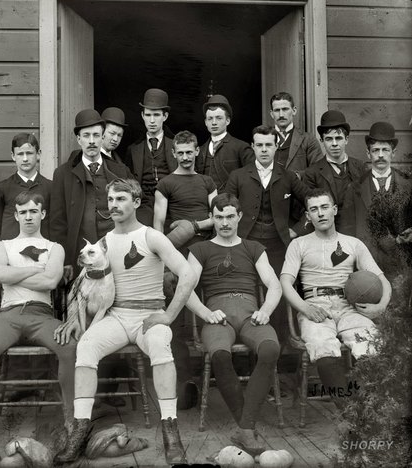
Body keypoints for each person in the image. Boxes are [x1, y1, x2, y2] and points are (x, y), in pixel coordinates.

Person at [53, 178, 197, 465]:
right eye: (110, 199)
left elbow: (188, 273)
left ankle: (170, 431)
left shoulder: (151, 237)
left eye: (121, 199)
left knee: (160, 346)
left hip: (148, 315)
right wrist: (72, 317)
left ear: (136, 202)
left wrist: (169, 315)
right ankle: (80, 430)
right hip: (116, 316)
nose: (114, 205)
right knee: (86, 345)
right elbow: (81, 282)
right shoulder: (104, 243)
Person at [185, 194, 282, 455]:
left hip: (251, 314)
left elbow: (274, 285)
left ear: (239, 216)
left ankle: (244, 427)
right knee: (219, 354)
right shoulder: (200, 250)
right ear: (212, 218)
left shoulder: (253, 248)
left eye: (230, 216)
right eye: (219, 217)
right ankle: (246, 427)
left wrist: (265, 310)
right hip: (218, 315)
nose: (225, 222)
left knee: (271, 349)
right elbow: (186, 289)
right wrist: (206, 313)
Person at [280, 188, 392, 412]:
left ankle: (369, 409)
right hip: (316, 307)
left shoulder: (353, 244)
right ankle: (350, 412)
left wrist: (380, 306)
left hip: (350, 308)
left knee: (371, 343)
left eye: (324, 207)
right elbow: (285, 282)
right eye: (314, 209)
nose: (320, 213)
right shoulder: (299, 244)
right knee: (324, 349)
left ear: (334, 209)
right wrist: (305, 308)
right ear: (308, 216)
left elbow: (382, 280)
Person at [0, 191, 76, 427]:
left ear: (43, 214)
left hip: (42, 315)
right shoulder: (3, 246)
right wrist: (35, 270)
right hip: (8, 315)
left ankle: (72, 418)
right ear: (16, 216)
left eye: (33, 211)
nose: (28, 217)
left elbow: (50, 282)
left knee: (69, 346)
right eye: (23, 212)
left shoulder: (54, 248)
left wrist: (14, 275)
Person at [223, 125, 311, 340]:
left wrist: (296, 230)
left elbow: (312, 202)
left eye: (268, 145)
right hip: (245, 245)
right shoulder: (238, 176)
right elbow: (225, 207)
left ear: (276, 147)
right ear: (252, 146)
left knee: (278, 291)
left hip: (278, 246)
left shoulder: (287, 176)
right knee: (246, 292)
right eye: (259, 145)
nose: (264, 150)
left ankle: (278, 344)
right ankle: (250, 342)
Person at [153, 130, 217, 405]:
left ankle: (214, 373)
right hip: (177, 254)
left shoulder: (206, 181)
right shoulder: (166, 183)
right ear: (173, 153)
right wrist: (164, 258)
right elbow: (158, 226)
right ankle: (184, 380)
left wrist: (193, 226)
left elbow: (218, 217)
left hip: (205, 251)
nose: (186, 157)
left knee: (210, 309)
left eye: (190, 152)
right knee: (176, 317)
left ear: (197, 151)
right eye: (180, 153)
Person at [50, 109, 132, 283]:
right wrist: (65, 261)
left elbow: (136, 207)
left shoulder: (120, 171)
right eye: (86, 135)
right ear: (78, 139)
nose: (92, 141)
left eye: (96, 135)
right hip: (81, 257)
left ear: (103, 137)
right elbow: (57, 223)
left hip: (116, 253)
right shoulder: (63, 174)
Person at [353, 122, 412, 279]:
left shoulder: (408, 185)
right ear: (368, 154)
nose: (380, 155)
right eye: (375, 150)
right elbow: (346, 229)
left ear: (393, 153)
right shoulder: (355, 188)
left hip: (402, 268)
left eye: (385, 150)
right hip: (366, 267)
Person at [301, 110, 366, 236]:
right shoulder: (312, 173)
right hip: (328, 234)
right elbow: (311, 210)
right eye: (329, 139)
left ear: (346, 139)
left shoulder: (360, 168)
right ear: (322, 140)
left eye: (339, 138)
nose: (334, 144)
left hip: (357, 234)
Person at [0, 132, 52, 247]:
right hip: (11, 251)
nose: (25, 159)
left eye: (29, 153)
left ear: (38, 154)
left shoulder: (50, 187)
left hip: (43, 250)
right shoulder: (3, 188)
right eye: (20, 154)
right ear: (13, 156)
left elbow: (57, 225)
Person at [126, 88, 177, 226]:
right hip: (144, 206)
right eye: (148, 115)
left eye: (156, 115)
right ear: (142, 115)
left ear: (165, 116)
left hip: (172, 204)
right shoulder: (133, 149)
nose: (152, 120)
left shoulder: (177, 145)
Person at [195, 94, 254, 192]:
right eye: (210, 118)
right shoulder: (200, 150)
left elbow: (251, 181)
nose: (214, 122)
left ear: (227, 120)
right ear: (205, 122)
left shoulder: (241, 148)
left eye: (219, 118)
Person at [268, 92, 323, 176]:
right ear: (272, 114)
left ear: (294, 111)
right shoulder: (263, 139)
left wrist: (297, 176)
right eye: (277, 110)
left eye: (285, 109)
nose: (281, 115)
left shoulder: (308, 140)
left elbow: (318, 170)